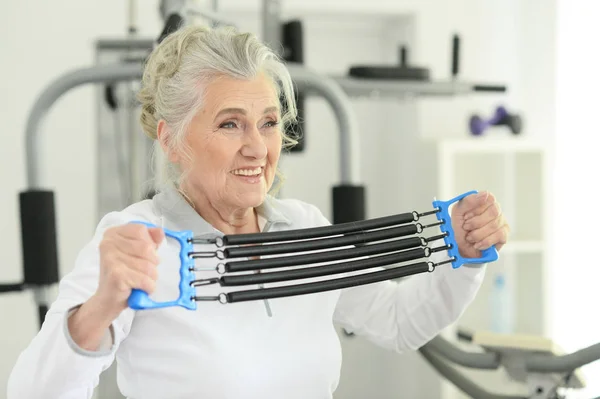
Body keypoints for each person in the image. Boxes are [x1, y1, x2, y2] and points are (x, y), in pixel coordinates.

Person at [7, 24, 510, 399]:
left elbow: (399, 322)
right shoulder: (137, 238)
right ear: (173, 140)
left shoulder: (303, 227)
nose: (257, 147)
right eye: (230, 124)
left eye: (268, 123)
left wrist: (464, 259)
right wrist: (100, 307)